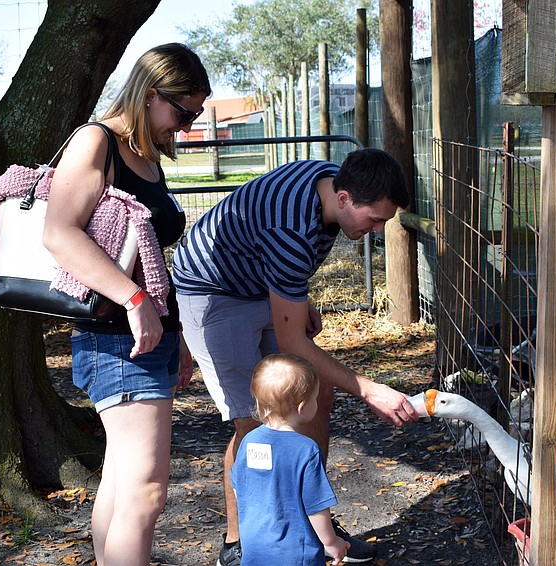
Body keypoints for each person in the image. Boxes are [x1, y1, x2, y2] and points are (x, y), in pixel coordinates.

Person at [172, 147, 421, 565]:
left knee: (316, 393)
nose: (379, 231)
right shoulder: (291, 230)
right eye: (375, 219)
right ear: (343, 199)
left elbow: (287, 270)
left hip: (257, 277)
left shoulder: (331, 180)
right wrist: (370, 390)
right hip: (213, 289)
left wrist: (293, 295)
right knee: (256, 422)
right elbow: (293, 343)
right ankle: (239, 543)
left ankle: (309, 519)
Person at [42, 43, 210, 566]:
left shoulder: (145, 153)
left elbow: (150, 257)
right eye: (183, 112)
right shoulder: (97, 142)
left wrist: (176, 334)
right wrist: (133, 298)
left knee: (121, 482)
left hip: (149, 334)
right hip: (114, 337)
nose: (185, 126)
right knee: (146, 492)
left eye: (197, 115)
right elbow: (59, 233)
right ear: (151, 92)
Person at [230, 354, 350, 566]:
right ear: (302, 407)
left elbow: (239, 488)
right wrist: (331, 542)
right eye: (314, 398)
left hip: (254, 548)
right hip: (295, 553)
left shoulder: (249, 442)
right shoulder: (305, 449)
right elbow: (316, 505)